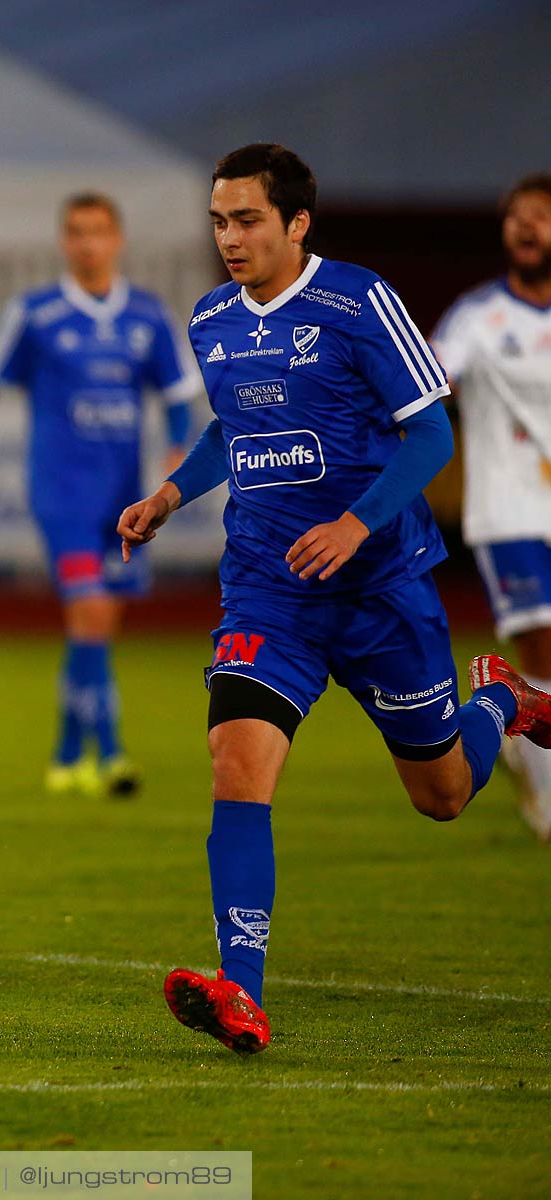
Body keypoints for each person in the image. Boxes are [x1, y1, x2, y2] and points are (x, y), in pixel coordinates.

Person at [118, 144, 551, 1055]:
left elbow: (431, 433)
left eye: (246, 221)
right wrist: (168, 495)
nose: (228, 240)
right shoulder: (211, 319)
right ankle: (242, 993)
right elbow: (230, 428)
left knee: (440, 795)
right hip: (268, 593)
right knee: (236, 768)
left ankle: (502, 698)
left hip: (381, 591)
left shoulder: (358, 302)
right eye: (217, 222)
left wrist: (357, 526)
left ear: (296, 223)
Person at [0, 193, 201, 798]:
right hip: (62, 495)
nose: (87, 243)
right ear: (64, 241)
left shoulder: (147, 316)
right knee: (90, 610)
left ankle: (67, 754)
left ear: (117, 239)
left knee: (94, 627)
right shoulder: (36, 314)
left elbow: (179, 393)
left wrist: (179, 450)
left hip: (126, 500)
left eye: (98, 232)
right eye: (75, 232)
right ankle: (114, 754)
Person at [430, 173, 551, 839]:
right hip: (509, 510)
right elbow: (430, 374)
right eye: (516, 216)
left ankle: (511, 724)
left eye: (541, 215)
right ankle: (548, 805)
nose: (527, 227)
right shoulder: (479, 317)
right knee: (544, 647)